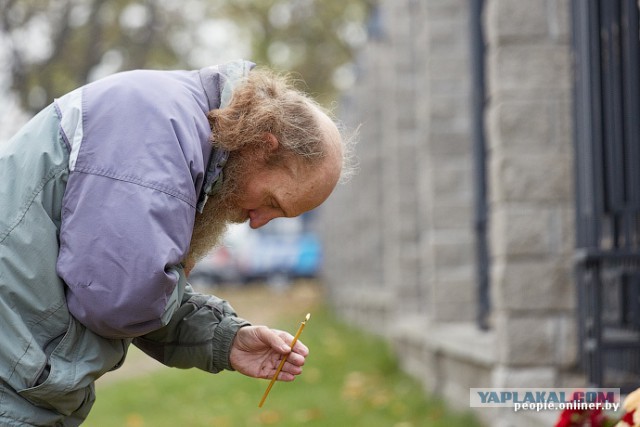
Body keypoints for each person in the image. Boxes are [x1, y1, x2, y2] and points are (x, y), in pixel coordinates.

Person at [0, 59, 347, 425]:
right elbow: (122, 300)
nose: (259, 221)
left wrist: (226, 338)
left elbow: (133, 287)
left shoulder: (182, 135)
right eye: (273, 202)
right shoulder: (159, 132)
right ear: (264, 147)